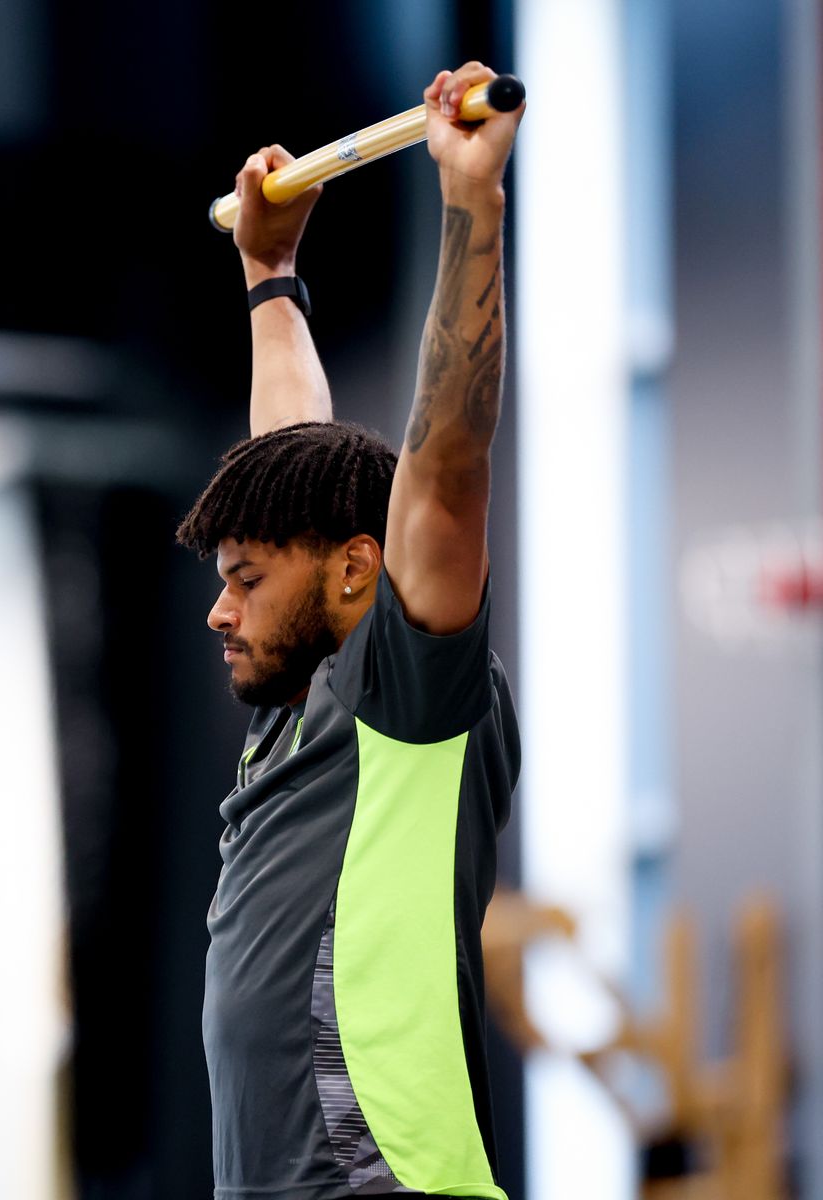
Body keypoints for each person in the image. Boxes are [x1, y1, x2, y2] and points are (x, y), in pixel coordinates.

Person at [175, 63, 525, 1199]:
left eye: (246, 579)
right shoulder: (303, 708)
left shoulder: (406, 697)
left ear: (356, 575)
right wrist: (270, 277)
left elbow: (450, 466)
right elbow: (292, 454)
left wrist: (471, 199)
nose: (220, 609)